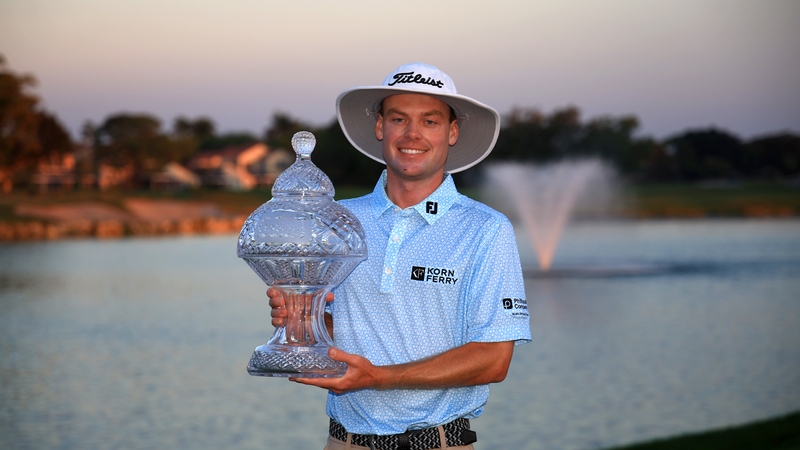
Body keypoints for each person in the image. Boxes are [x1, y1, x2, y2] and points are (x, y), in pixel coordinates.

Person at [269, 62, 531, 450]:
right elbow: (343, 328)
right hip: (344, 442)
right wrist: (303, 319)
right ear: (380, 127)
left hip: (438, 443)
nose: (412, 134)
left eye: (430, 121)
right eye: (398, 118)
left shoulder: (486, 229)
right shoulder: (339, 220)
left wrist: (378, 377)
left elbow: (493, 360)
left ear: (452, 132)